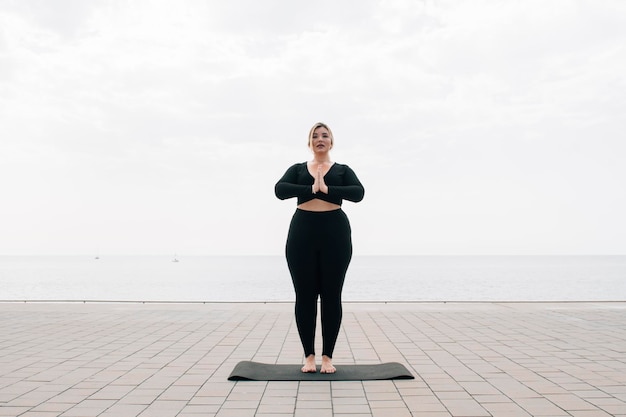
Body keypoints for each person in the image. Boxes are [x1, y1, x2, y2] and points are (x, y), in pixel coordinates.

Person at [275, 122, 365, 374]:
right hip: (302, 231)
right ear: (310, 142)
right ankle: (309, 357)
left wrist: (326, 190)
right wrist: (310, 188)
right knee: (304, 296)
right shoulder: (297, 168)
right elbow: (280, 190)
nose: (320, 139)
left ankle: (327, 357)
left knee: (331, 295)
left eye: (324, 135)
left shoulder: (342, 170)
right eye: (315, 136)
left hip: (334, 232)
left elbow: (358, 193)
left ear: (331, 141)